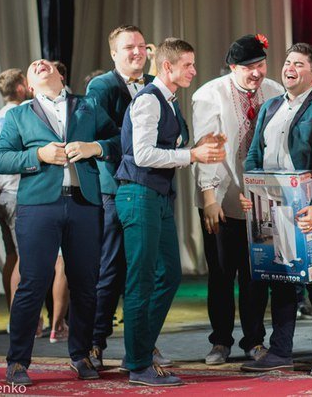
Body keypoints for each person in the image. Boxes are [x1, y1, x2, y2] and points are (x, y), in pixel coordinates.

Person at [0, 58, 120, 386]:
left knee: (86, 284)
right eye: (33, 66)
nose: (39, 63)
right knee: (32, 284)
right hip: (38, 206)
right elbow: (1, 159)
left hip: (85, 205)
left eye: (46, 62)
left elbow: (119, 141)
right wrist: (38, 155)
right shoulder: (18, 115)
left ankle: (81, 354)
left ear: (61, 76)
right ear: (28, 87)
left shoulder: (88, 106)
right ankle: (17, 361)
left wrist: (95, 148)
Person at [115, 38, 226, 387]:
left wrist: (200, 147)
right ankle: (138, 363)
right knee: (142, 280)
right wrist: (192, 155)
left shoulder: (168, 101)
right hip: (139, 194)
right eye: (187, 65)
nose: (193, 70)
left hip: (157, 197)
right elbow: (143, 154)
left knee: (169, 275)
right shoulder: (149, 99)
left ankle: (138, 352)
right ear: (167, 66)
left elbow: (167, 148)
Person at [239, 43, 312, 376]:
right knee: (281, 277)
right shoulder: (270, 106)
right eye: (288, 62)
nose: (290, 68)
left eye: (299, 64)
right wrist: (252, 191)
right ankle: (280, 350)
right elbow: (254, 154)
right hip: (271, 205)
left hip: (309, 206)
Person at [191, 33, 283, 365]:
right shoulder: (209, 94)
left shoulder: (274, 91)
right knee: (221, 274)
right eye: (248, 68)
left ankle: (254, 340)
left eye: (260, 65)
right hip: (222, 197)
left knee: (256, 274)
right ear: (232, 67)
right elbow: (208, 148)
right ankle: (220, 341)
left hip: (261, 200)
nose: (256, 73)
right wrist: (209, 198)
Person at [85, 24, 166, 370]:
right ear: (113, 53)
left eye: (141, 46)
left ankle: (142, 343)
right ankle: (95, 342)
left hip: (151, 188)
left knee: (150, 270)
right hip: (115, 190)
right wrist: (144, 143)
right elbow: (102, 135)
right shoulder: (101, 86)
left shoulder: (155, 83)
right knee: (112, 269)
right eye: (128, 47)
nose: (137, 52)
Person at [0, 69, 31, 311]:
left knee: (11, 256)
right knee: (25, 258)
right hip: (16, 195)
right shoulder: (20, 115)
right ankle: (20, 318)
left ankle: (13, 313)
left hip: (0, 195)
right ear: (21, 87)